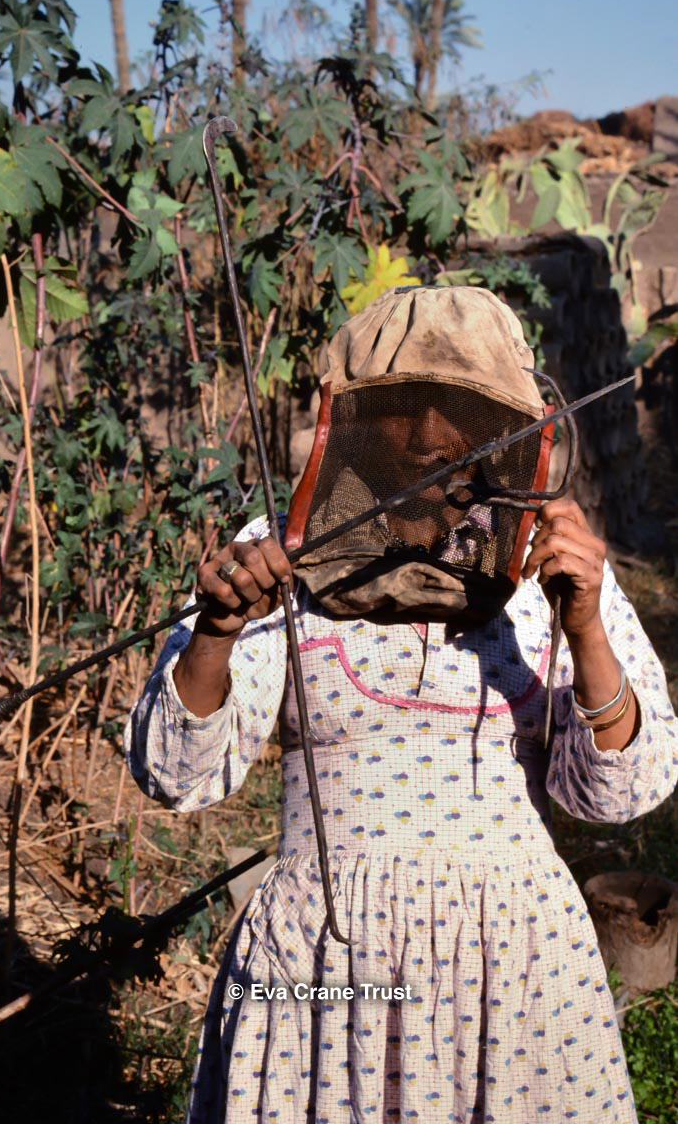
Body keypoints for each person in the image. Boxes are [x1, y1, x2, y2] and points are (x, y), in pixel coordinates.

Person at [123, 286, 677, 1124]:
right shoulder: (276, 555)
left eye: (458, 409)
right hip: (326, 959)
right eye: (402, 407)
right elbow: (175, 775)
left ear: (511, 425)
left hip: (514, 963)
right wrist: (217, 629)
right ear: (350, 417)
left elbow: (618, 795)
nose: (427, 437)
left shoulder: (551, 566)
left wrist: (586, 626)